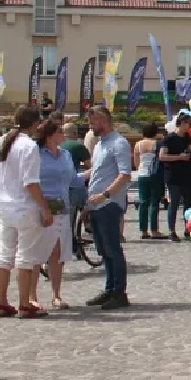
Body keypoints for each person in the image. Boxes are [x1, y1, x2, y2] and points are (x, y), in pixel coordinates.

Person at [0, 106, 53, 318]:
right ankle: (24, 303)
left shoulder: (3, 141)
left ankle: (1, 302)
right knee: (25, 257)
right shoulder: (28, 146)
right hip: (24, 207)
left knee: (4, 256)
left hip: (5, 207)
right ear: (36, 123)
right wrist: (45, 208)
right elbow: (31, 182)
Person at [29, 119, 86, 309]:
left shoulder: (65, 155)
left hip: (62, 208)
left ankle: (56, 295)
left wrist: (91, 176)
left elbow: (72, 179)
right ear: (50, 135)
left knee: (57, 253)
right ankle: (31, 295)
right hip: (40, 207)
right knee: (37, 253)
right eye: (60, 131)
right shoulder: (35, 154)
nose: (63, 134)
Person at [82, 105, 133, 309]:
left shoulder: (118, 143)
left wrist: (105, 194)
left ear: (104, 121)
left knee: (112, 249)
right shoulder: (100, 144)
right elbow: (96, 172)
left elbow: (125, 174)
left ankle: (119, 292)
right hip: (96, 205)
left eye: (93, 122)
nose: (90, 126)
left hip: (109, 204)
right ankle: (110, 288)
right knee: (103, 250)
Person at [160, 113, 191, 241]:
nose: (189, 126)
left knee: (188, 204)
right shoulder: (169, 138)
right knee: (174, 203)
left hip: (187, 174)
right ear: (180, 123)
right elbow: (162, 156)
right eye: (187, 123)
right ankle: (172, 231)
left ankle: (188, 229)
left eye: (190, 124)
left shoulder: (188, 138)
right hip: (173, 175)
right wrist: (179, 157)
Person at [134, 122, 164, 239]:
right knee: (154, 202)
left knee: (143, 202)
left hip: (142, 174)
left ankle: (143, 230)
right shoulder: (158, 144)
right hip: (155, 174)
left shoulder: (138, 144)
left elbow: (136, 162)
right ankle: (154, 230)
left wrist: (139, 169)